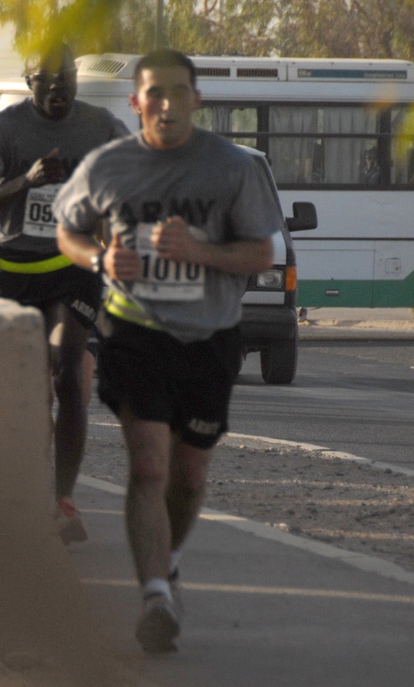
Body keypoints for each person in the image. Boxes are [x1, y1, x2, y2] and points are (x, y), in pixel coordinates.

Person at [54, 48, 284, 653]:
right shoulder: (108, 166)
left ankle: (168, 562)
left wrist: (200, 252)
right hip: (136, 329)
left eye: (178, 92)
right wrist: (99, 258)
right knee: (150, 464)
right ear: (136, 103)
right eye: (153, 94)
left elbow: (261, 255)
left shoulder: (231, 167)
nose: (165, 104)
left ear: (196, 100)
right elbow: (68, 230)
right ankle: (155, 594)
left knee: (189, 472)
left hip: (210, 335)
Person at [0, 43, 130, 545]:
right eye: (48, 82)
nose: (59, 89)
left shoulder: (100, 127)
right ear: (28, 81)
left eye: (67, 79)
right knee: (27, 389)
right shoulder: (4, 129)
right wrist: (26, 180)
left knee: (67, 368)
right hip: (12, 270)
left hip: (71, 266)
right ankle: (25, 489)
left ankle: (61, 498)